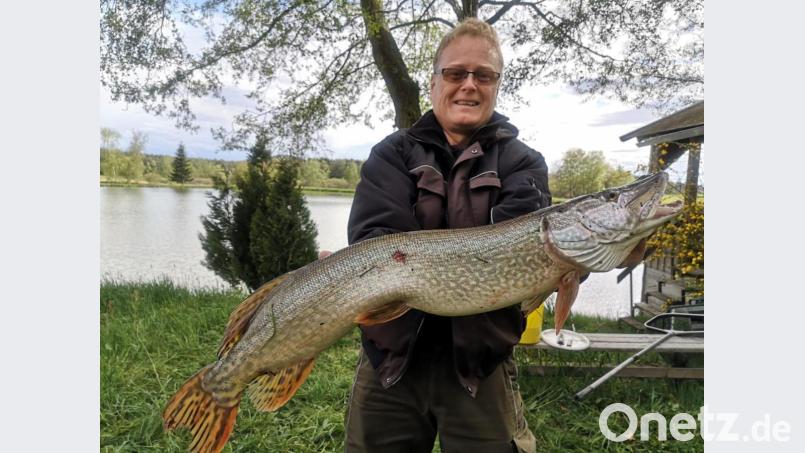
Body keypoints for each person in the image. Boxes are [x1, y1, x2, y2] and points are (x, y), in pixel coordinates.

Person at [343, 18, 551, 453]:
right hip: (392, 363)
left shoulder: (522, 163)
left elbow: (527, 252)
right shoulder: (392, 154)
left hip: (480, 365)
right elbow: (376, 238)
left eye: (484, 75)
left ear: (496, 85)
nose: (469, 85)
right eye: (456, 73)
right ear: (434, 81)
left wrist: (582, 260)